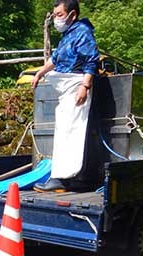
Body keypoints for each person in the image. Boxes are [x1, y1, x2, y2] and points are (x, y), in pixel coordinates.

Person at [31, 0, 99, 192]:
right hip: (65, 89)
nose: (56, 19)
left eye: (59, 15)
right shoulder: (68, 35)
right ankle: (63, 177)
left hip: (77, 85)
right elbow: (56, 58)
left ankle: (62, 178)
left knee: (71, 133)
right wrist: (40, 73)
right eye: (55, 15)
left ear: (73, 15)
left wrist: (85, 85)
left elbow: (91, 60)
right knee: (63, 131)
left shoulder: (83, 32)